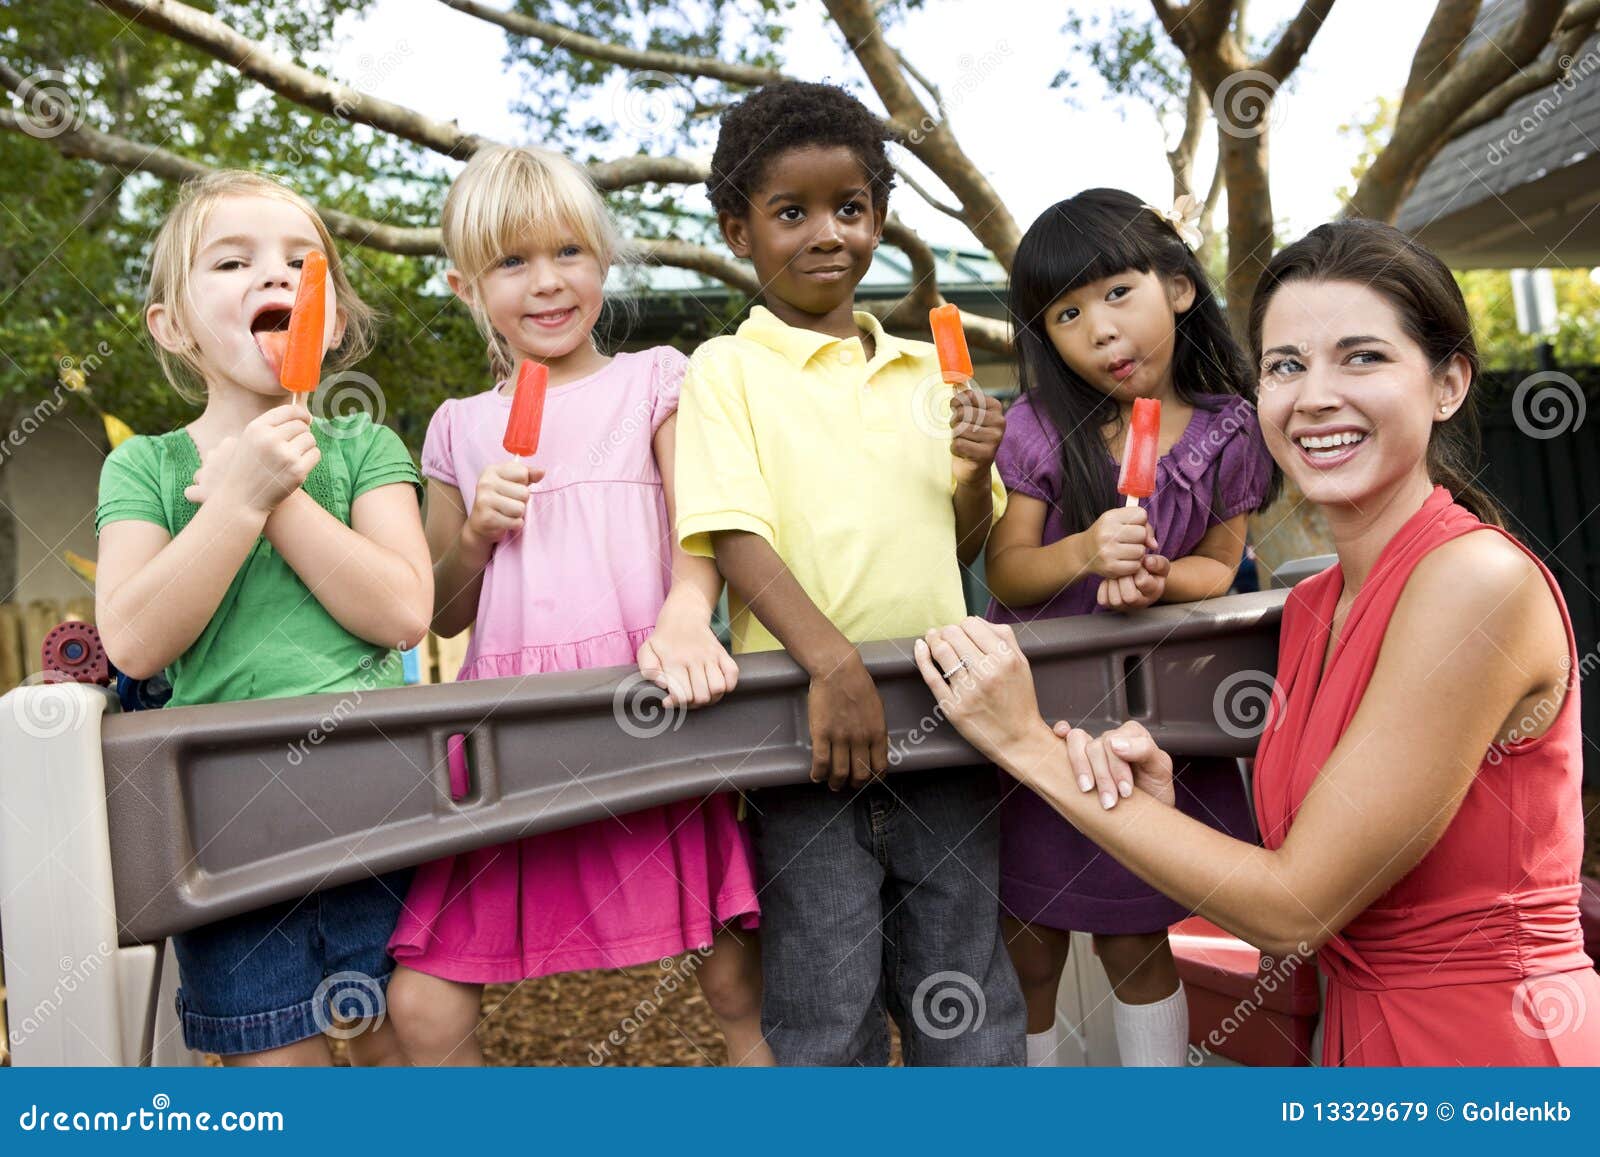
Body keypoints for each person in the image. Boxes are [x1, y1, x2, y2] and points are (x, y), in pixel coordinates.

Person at [915, 218, 1600, 1065]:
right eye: (1286, 365)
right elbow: (1307, 858)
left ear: (1449, 382)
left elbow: (1296, 906)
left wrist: (1021, 738)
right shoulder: (1312, 605)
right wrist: (1154, 801)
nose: (1314, 395)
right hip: (1353, 1050)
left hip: (1490, 1056)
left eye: (1362, 357)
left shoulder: (1474, 583)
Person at [383, 145, 765, 1066]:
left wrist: (686, 607)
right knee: (423, 1000)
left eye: (569, 253)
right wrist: (473, 533)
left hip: (649, 709)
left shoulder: (657, 380)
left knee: (734, 977)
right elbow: (440, 613)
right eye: (512, 263)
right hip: (510, 737)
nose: (546, 283)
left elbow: (702, 520)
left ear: (604, 262)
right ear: (466, 286)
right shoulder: (456, 427)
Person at [674, 80, 1026, 1065]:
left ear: (877, 216)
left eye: (850, 207)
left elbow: (961, 545)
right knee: (827, 1012)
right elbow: (731, 533)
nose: (825, 233)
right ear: (738, 232)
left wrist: (976, 469)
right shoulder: (723, 371)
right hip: (805, 736)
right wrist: (832, 666)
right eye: (791, 213)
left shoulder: (927, 373)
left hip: (943, 721)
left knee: (967, 999)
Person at [95, 170, 432, 1065]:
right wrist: (233, 502)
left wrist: (279, 501)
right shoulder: (145, 471)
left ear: (334, 319)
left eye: (300, 262)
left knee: (405, 1043)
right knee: (277, 1070)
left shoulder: (365, 448)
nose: (274, 276)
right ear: (172, 325)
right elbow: (131, 639)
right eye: (233, 260)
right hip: (224, 827)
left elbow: (404, 610)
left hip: (378, 804)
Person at [985, 189, 1277, 1066]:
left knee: (1134, 938)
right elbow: (1006, 570)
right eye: (1068, 313)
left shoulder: (1235, 430)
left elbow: (1218, 569)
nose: (1101, 329)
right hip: (1039, 716)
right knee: (1028, 943)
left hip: (1145, 727)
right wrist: (1082, 550)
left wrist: (1158, 579)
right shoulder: (1039, 428)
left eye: (1118, 293)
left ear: (1179, 288)